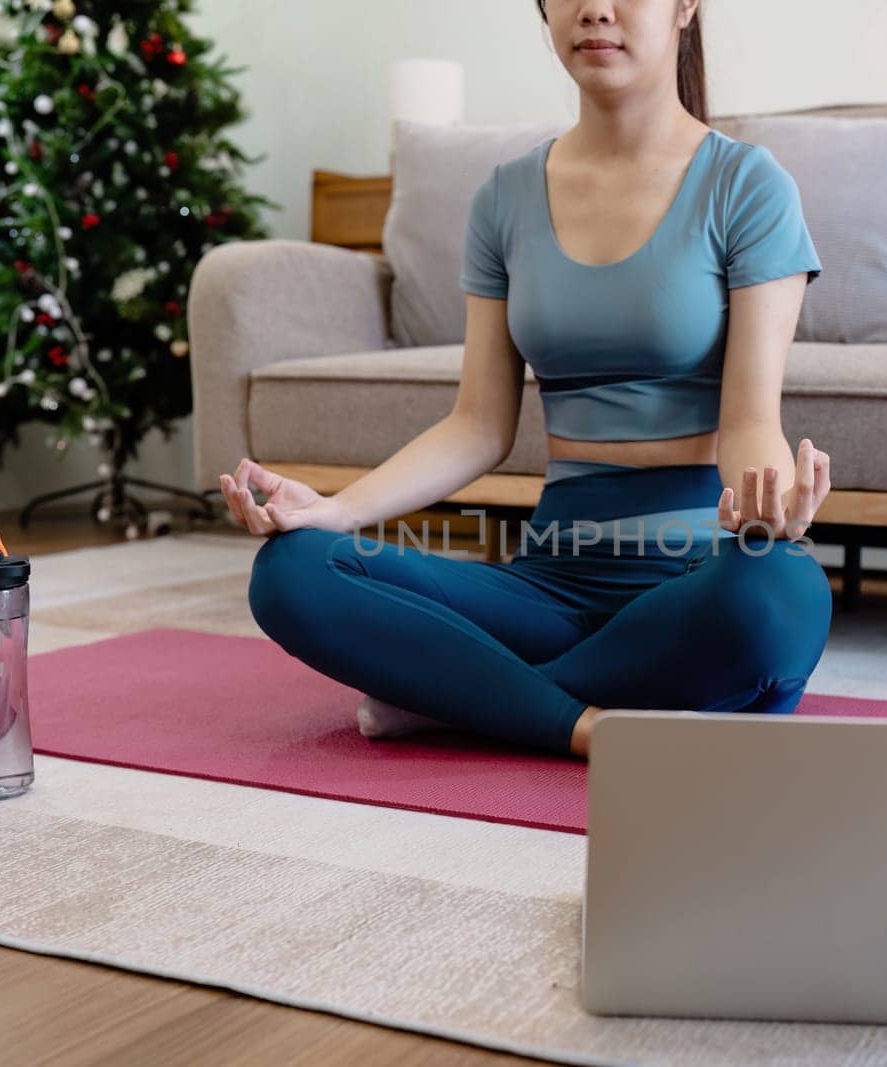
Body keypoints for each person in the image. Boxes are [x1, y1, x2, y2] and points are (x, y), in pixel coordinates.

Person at [222, 0, 834, 759]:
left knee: (779, 593)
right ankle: (579, 722)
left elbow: (750, 421)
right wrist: (337, 510)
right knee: (292, 571)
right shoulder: (505, 198)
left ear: (685, 5)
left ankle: (465, 697)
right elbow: (477, 423)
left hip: (693, 578)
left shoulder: (747, 185)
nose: (595, 9)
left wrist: (770, 511)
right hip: (547, 585)